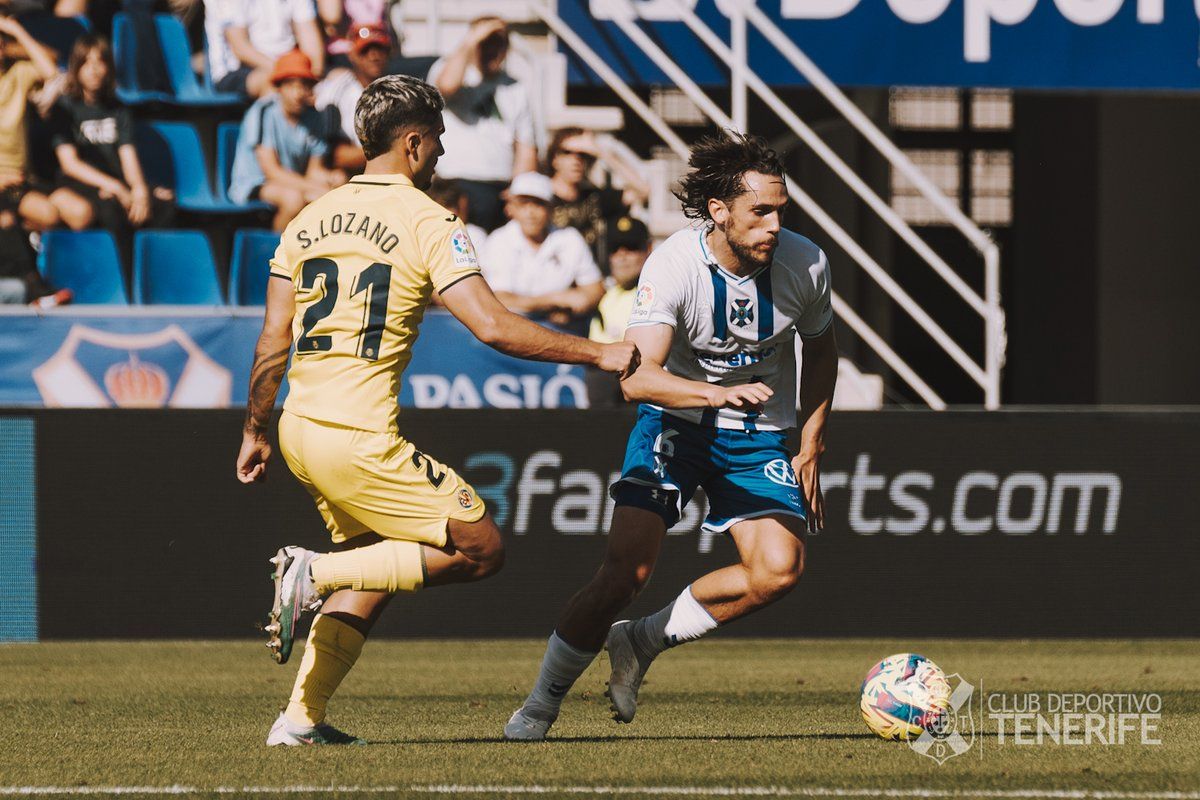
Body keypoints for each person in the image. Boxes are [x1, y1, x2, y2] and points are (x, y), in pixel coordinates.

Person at [235, 74, 640, 746]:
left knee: (378, 565)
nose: (444, 152)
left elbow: (273, 337)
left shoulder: (307, 218)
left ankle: (300, 720)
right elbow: (494, 326)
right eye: (440, 139)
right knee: (480, 549)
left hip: (300, 427)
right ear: (414, 143)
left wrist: (255, 428)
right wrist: (599, 353)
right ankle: (313, 572)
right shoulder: (430, 221)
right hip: (358, 434)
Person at [504, 133, 840, 741]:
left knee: (779, 569)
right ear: (719, 211)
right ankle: (539, 705)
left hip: (758, 435)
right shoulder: (674, 264)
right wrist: (712, 394)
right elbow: (637, 379)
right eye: (760, 211)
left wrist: (811, 443)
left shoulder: (807, 263)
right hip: (673, 423)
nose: (774, 225)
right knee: (623, 576)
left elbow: (821, 350)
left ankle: (641, 641)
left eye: (780, 211)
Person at [51, 36, 175, 248]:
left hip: (115, 180)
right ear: (76, 67)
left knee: (163, 202)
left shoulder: (118, 108)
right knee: (110, 208)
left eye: (100, 62)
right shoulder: (65, 108)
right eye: (86, 63)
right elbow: (70, 164)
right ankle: (120, 267)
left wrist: (140, 189)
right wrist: (115, 187)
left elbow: (128, 154)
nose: (94, 70)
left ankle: (151, 264)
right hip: (82, 184)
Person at [428, 16, 536, 232]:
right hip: (454, 185)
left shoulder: (515, 87)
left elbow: (526, 147)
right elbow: (447, 86)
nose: (492, 50)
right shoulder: (449, 69)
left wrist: (520, 191)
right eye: (485, 42)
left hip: (498, 189)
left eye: (498, 43)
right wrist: (471, 40)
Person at [228, 50, 345, 231]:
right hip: (255, 183)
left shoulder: (315, 117)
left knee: (339, 188)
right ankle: (276, 248)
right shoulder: (263, 111)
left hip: (294, 183)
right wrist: (317, 188)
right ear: (279, 87)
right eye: (291, 85)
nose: (298, 93)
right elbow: (271, 172)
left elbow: (314, 170)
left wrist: (331, 179)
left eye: (304, 85)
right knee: (294, 200)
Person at [480, 171, 604, 329]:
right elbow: (499, 299)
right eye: (523, 204)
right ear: (511, 208)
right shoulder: (499, 240)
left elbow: (595, 288)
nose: (530, 212)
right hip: (510, 327)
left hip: (562, 327)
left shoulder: (569, 238)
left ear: (551, 208)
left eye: (538, 204)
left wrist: (571, 311)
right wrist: (555, 300)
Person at [0, 14, 65, 233]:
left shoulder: (18, 74)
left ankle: (23, 232)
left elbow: (51, 70)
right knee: (6, 222)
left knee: (50, 215)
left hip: (18, 179)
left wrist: (16, 31)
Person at [546, 127, 649, 263]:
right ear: (554, 158)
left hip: (588, 274)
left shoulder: (594, 197)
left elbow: (643, 191)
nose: (576, 160)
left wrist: (601, 153)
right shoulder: (541, 195)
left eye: (583, 154)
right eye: (567, 152)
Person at [586, 215, 650, 408]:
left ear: (647, 250)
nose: (622, 256)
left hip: (640, 383)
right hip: (604, 390)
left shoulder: (656, 291)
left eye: (631, 248)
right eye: (614, 249)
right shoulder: (604, 295)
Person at [205, 0, 325, 97]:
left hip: (287, 68)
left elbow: (310, 40)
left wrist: (313, 76)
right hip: (234, 71)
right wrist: (287, 73)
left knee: (329, 85)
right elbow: (240, 48)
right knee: (279, 85)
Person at [314, 23, 391, 171]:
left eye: (380, 49)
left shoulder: (398, 91)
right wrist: (391, 151)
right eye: (365, 51)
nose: (374, 56)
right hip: (345, 174)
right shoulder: (338, 91)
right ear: (352, 55)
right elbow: (337, 157)